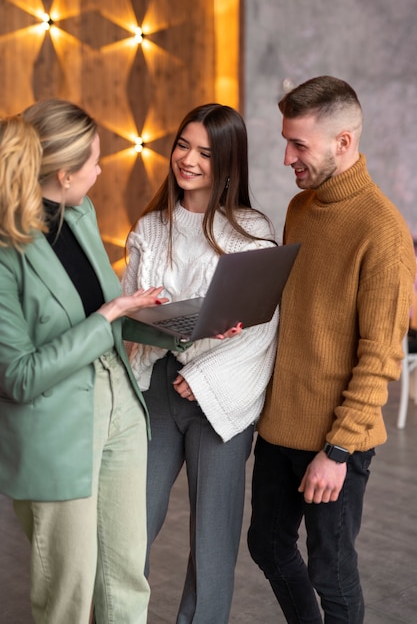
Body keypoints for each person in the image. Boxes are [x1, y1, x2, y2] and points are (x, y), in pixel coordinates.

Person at [247, 75, 416, 623]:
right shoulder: (302, 208)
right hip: (280, 427)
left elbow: (380, 356)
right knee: (267, 546)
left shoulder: (383, 231)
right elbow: (300, 310)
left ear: (343, 142)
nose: (286, 157)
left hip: (335, 440)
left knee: (332, 569)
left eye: (299, 144)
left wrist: (338, 451)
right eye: (285, 141)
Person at [0, 103, 173, 624]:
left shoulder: (79, 213)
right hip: (56, 430)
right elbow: (18, 377)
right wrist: (111, 313)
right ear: (64, 173)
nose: (100, 171)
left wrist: (183, 327)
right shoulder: (6, 251)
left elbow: (106, 317)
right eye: (95, 162)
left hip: (120, 403)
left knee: (126, 577)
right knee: (67, 595)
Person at [122, 103, 278, 624]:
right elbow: (128, 318)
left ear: (228, 161)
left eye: (206, 153)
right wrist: (143, 318)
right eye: (184, 146)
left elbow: (263, 330)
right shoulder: (148, 228)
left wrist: (205, 373)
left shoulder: (253, 232)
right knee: (129, 522)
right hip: (156, 388)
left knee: (213, 541)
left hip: (221, 396)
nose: (188, 159)